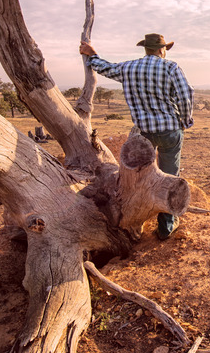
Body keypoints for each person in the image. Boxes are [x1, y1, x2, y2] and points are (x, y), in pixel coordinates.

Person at [79, 33, 194, 240]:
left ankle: (135, 218)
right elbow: (186, 95)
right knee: (169, 174)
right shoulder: (171, 67)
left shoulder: (129, 67)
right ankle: (166, 226)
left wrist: (92, 54)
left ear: (146, 49)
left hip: (144, 134)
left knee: (142, 177)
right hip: (169, 130)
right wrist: (185, 121)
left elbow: (104, 68)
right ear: (161, 50)